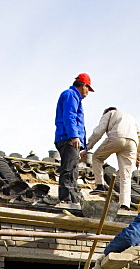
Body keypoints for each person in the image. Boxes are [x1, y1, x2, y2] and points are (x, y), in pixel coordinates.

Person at [84, 107, 140, 211]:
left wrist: (87, 147)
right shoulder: (130, 118)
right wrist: (138, 157)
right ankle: (125, 204)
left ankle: (100, 185)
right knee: (126, 175)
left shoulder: (109, 114)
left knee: (96, 157)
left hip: (117, 137)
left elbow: (99, 131)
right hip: (132, 143)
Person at [54, 73, 94, 205]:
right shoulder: (71, 95)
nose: (88, 92)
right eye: (88, 88)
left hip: (69, 138)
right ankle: (66, 199)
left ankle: (73, 198)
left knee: (73, 170)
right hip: (68, 138)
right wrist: (74, 136)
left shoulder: (74, 97)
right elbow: (69, 116)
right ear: (83, 85)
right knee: (69, 169)